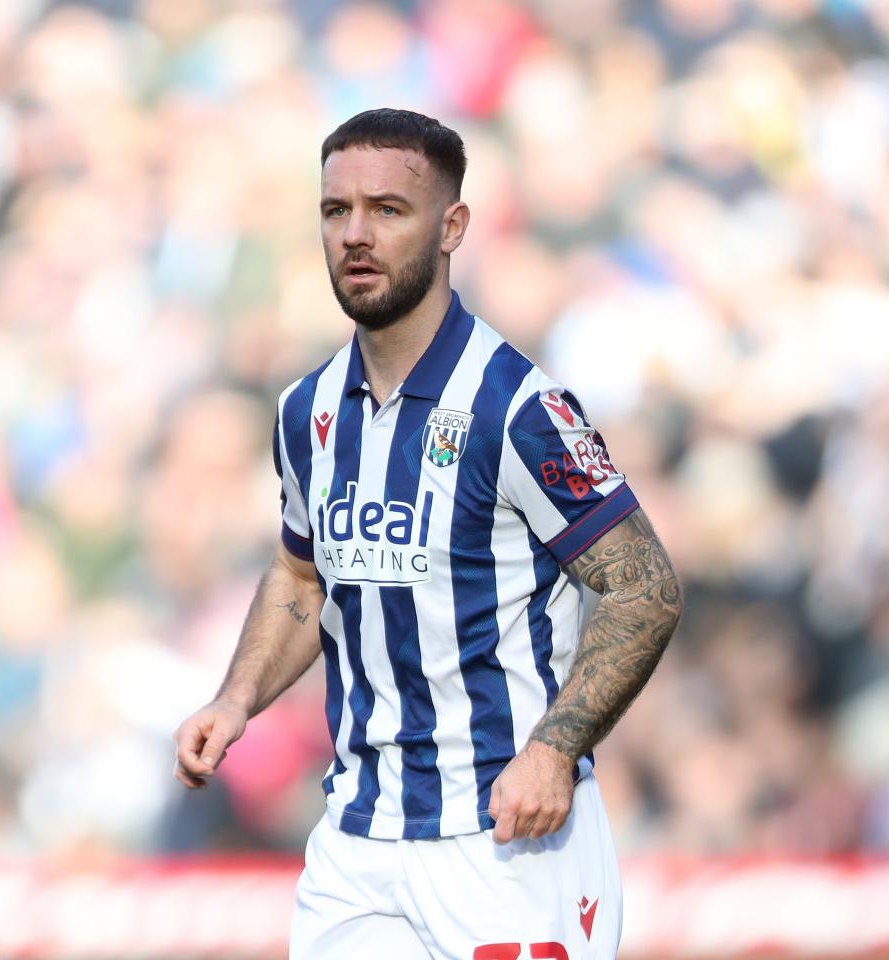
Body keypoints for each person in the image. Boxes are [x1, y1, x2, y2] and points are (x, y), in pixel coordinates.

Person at [174, 108, 683, 960]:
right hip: (358, 838)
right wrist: (236, 701)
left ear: (452, 228)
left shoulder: (517, 408)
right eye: (336, 212)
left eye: (387, 210)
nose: (356, 236)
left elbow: (644, 585)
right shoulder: (308, 410)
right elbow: (304, 579)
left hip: (506, 838)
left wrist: (556, 750)